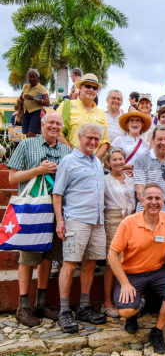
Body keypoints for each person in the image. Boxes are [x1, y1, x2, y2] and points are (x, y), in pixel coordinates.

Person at [7, 112, 71, 327]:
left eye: (58, 123)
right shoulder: (26, 145)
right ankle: (23, 306)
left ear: (61, 127)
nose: (54, 126)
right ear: (43, 124)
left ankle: (41, 302)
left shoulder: (65, 150)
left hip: (56, 210)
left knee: (47, 257)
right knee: (27, 258)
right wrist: (38, 170)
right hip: (32, 209)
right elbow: (12, 177)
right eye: (50, 122)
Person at [108, 183, 165, 354]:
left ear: (163, 201)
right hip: (131, 273)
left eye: (157, 198)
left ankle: (157, 331)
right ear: (142, 200)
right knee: (126, 311)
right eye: (149, 198)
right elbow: (112, 255)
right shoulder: (128, 222)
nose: (153, 202)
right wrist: (125, 283)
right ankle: (134, 312)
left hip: (157, 270)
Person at [53, 123, 107, 333]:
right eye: (89, 138)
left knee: (90, 263)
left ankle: (84, 306)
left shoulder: (97, 162)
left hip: (97, 220)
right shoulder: (68, 161)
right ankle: (64, 310)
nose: (93, 142)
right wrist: (60, 220)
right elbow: (57, 193)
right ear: (80, 137)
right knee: (69, 263)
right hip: (76, 218)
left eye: (96, 139)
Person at [102, 148, 136, 318]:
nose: (118, 163)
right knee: (112, 261)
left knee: (129, 260)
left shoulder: (130, 179)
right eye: (114, 160)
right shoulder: (105, 180)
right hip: (113, 220)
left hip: (131, 219)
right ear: (108, 162)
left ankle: (125, 298)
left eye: (120, 159)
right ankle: (107, 302)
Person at [56, 73, 110, 159]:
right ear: (80, 87)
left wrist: (94, 160)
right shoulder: (66, 105)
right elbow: (58, 133)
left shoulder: (101, 114)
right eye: (88, 86)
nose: (91, 89)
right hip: (69, 159)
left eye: (94, 88)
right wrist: (74, 155)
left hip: (91, 163)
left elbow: (105, 141)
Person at [17, 69, 50, 138]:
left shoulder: (41, 88)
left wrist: (33, 98)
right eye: (30, 77)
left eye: (33, 77)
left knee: (32, 133)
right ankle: (28, 147)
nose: (31, 78)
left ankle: (33, 147)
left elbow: (47, 103)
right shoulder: (26, 87)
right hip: (26, 112)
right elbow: (21, 98)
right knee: (25, 133)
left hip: (36, 113)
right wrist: (20, 101)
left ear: (38, 78)